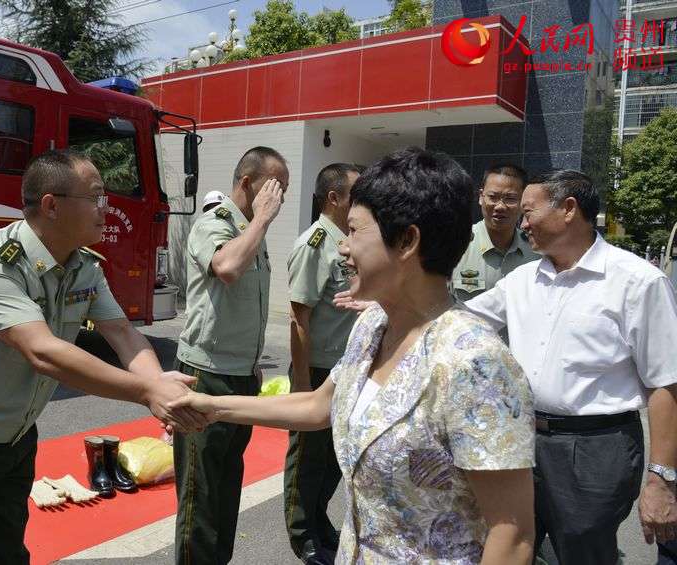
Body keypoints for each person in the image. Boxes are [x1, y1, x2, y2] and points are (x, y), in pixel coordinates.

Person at [167, 147, 536, 564]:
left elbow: (513, 535)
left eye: (355, 232)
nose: (343, 248)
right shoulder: (372, 326)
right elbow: (319, 405)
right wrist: (210, 406)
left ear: (407, 241)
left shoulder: (475, 363)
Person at [0, 149, 206, 565]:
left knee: (8, 551)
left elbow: (121, 333)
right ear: (52, 205)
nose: (107, 208)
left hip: (15, 434)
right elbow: (44, 352)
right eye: (97, 196)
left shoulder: (85, 266)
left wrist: (161, 388)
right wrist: (146, 392)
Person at [464, 170, 677, 565]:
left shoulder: (637, 282)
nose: (521, 222)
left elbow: (666, 385)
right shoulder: (524, 279)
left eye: (528, 212)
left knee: (584, 554)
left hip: (597, 450)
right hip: (523, 441)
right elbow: (461, 319)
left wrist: (662, 479)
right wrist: (391, 305)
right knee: (509, 548)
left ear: (568, 209)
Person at [173, 146, 289, 565]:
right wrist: (260, 220)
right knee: (199, 497)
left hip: (240, 375)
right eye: (274, 187)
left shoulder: (248, 233)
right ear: (245, 183)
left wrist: (253, 365)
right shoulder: (215, 224)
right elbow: (227, 269)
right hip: (206, 374)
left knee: (226, 489)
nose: (279, 198)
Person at [284, 163, 360, 565]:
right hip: (315, 370)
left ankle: (317, 517)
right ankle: (302, 532)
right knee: (308, 458)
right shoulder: (316, 243)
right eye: (356, 195)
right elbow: (299, 317)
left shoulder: (347, 242)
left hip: (344, 368)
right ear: (334, 198)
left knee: (333, 456)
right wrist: (300, 383)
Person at [452, 164, 537, 302]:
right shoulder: (456, 245)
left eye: (510, 198)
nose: (500, 206)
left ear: (523, 201)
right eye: (493, 197)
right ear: (481, 197)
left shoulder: (535, 252)